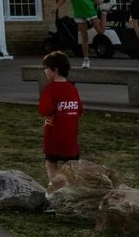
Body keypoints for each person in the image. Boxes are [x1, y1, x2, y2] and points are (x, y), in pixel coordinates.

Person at [38, 50, 83, 182]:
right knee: (72, 167)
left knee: (51, 164)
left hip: (54, 138)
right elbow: (79, 110)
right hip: (71, 139)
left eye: (47, 68)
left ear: (55, 70)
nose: (45, 71)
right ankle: (70, 186)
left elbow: (45, 110)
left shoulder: (49, 89)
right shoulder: (73, 89)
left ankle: (56, 187)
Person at [54, 0, 105, 67]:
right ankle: (86, 60)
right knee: (84, 36)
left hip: (91, 12)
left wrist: (101, 2)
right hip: (79, 14)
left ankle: (104, 13)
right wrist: (56, 7)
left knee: (100, 31)